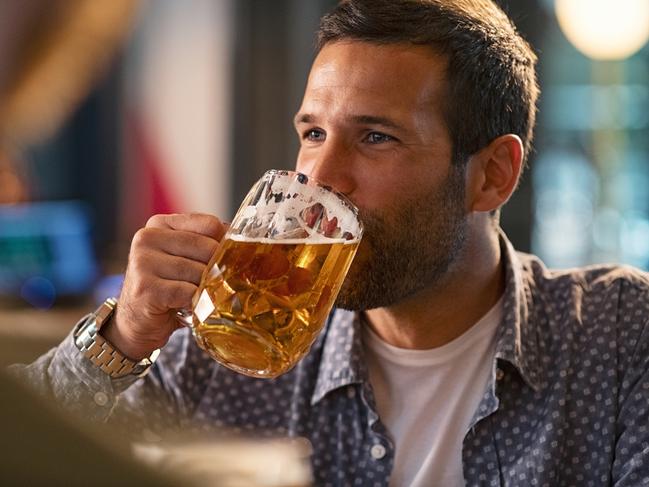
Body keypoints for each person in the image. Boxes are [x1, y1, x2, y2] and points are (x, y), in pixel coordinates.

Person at [11, 1, 649, 485]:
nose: (319, 179)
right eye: (313, 133)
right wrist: (121, 339)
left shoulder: (617, 336)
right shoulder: (222, 345)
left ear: (492, 176)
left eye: (376, 137)